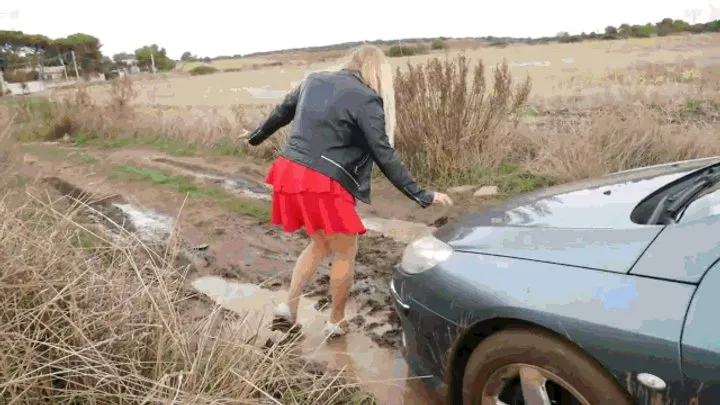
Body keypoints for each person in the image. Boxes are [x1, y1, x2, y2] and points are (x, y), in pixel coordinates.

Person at [243, 44, 453, 338]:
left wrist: (255, 137)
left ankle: (287, 308)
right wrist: (421, 194)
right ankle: (336, 322)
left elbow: (282, 112)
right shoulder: (367, 98)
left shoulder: (314, 79)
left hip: (290, 171)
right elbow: (384, 153)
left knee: (318, 243)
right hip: (323, 181)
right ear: (377, 70)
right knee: (345, 250)